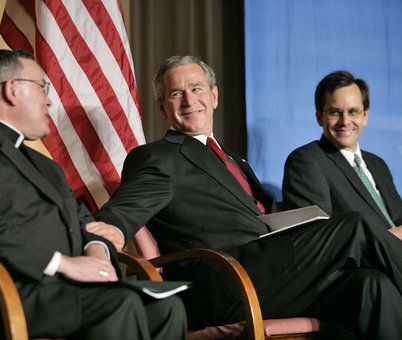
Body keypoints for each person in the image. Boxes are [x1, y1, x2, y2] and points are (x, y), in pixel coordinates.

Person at [94, 55, 402, 339]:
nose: (189, 100)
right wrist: (106, 233)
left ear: (214, 96)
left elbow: (262, 217)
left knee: (372, 284)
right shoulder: (156, 157)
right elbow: (126, 207)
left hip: (270, 275)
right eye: (176, 93)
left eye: (197, 89)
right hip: (226, 281)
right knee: (354, 226)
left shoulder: (234, 160)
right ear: (162, 107)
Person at [0, 49, 186, 340]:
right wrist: (66, 263)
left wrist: (96, 252)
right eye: (42, 87)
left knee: (167, 308)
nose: (48, 99)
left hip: (61, 291)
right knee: (120, 304)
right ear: (12, 89)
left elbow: (86, 224)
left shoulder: (45, 166)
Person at [282, 71, 402, 237]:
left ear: (365, 116)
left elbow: (398, 217)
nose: (345, 121)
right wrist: (389, 239)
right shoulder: (306, 161)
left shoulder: (377, 164)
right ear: (319, 117)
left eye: (353, 111)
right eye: (334, 112)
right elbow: (318, 237)